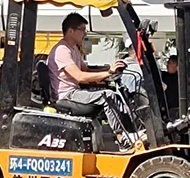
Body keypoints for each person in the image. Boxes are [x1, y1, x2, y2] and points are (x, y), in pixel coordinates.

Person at [47, 13, 134, 145]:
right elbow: (80, 77)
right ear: (71, 31)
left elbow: (86, 71)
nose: (85, 34)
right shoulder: (62, 50)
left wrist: (108, 70)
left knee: (110, 91)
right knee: (107, 95)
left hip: (75, 92)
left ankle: (131, 130)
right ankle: (121, 137)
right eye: (83, 30)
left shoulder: (73, 49)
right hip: (67, 95)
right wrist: (107, 72)